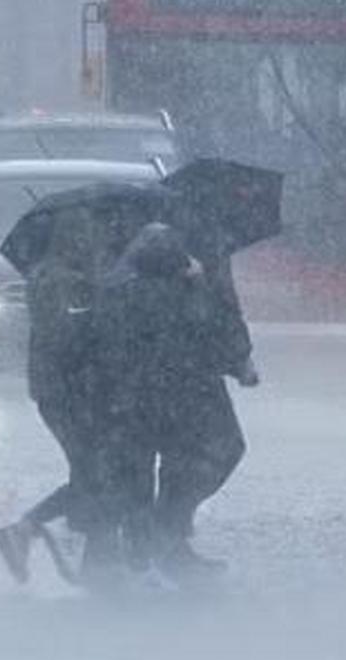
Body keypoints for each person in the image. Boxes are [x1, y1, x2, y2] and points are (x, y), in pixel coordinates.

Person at [96, 223, 258, 587]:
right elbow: (220, 329)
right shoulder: (192, 291)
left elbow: (99, 343)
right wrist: (241, 362)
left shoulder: (119, 293)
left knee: (139, 470)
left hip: (131, 399)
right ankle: (165, 533)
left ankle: (146, 549)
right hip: (189, 397)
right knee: (209, 456)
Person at [0, 207, 108, 584]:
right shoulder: (58, 281)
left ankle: (56, 535)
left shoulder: (57, 276)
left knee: (90, 471)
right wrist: (95, 318)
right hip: (65, 391)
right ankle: (39, 530)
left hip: (58, 388)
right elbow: (63, 335)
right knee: (93, 473)